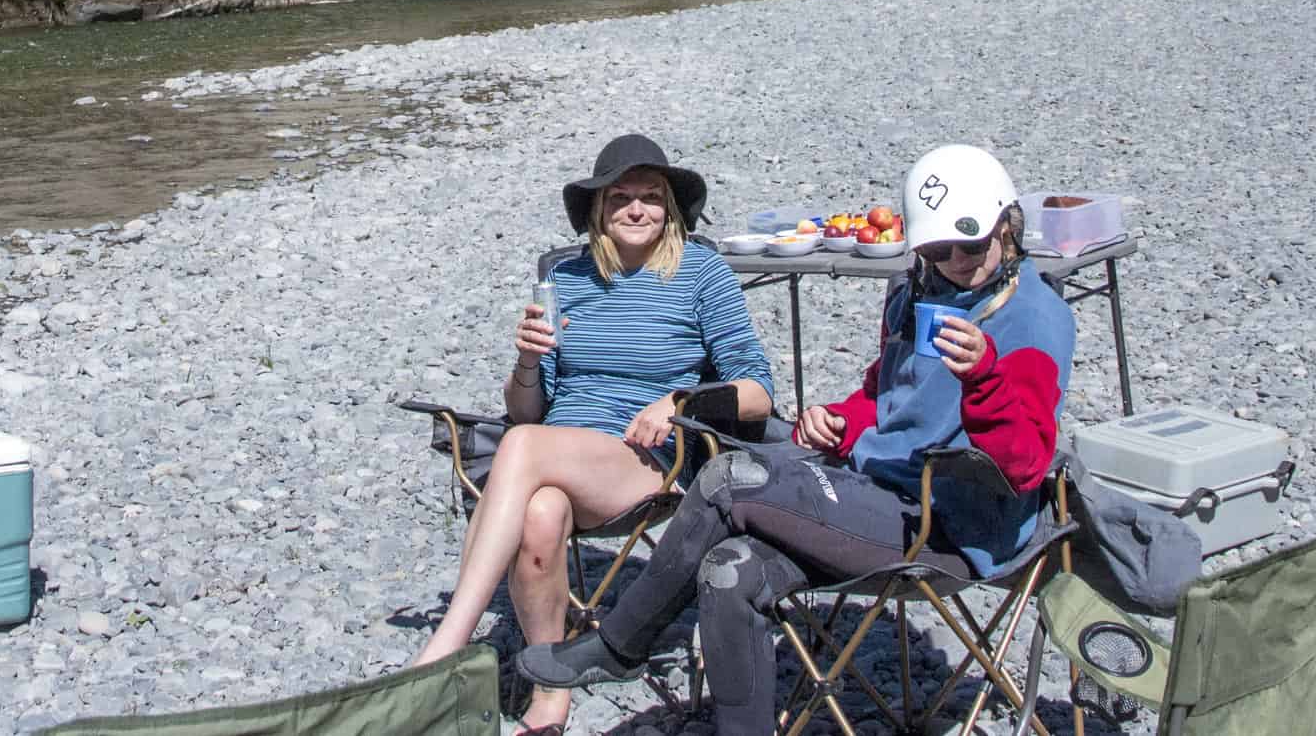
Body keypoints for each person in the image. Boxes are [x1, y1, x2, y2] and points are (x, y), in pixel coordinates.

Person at [516, 144, 1074, 736]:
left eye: (971, 245)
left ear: (1006, 228)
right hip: (879, 495)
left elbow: (1024, 464)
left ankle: (620, 646)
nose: (956, 261)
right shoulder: (920, 294)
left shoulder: (1034, 317)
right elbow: (884, 397)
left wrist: (984, 376)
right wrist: (840, 419)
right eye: (937, 249)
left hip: (953, 523)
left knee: (732, 479)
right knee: (730, 568)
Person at [411, 133, 775, 736]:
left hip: (646, 457)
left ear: (672, 208)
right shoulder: (566, 279)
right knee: (540, 513)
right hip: (557, 454)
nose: (637, 210)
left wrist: (680, 399)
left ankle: (448, 647)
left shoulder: (702, 273)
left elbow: (758, 392)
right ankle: (551, 694)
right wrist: (527, 363)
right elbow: (528, 410)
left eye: (651, 197)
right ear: (599, 210)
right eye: (621, 198)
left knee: (522, 451)